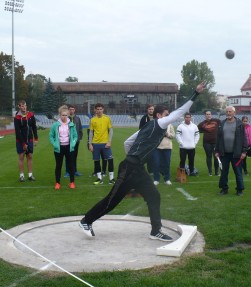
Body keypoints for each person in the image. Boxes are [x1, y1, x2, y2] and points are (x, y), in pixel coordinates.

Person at [79, 82, 206, 241]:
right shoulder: (159, 123)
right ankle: (86, 221)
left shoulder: (148, 127)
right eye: (166, 114)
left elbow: (127, 143)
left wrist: (132, 159)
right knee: (112, 200)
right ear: (159, 116)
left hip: (136, 167)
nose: (169, 118)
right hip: (131, 167)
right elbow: (179, 112)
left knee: (154, 196)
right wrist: (196, 93)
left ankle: (156, 230)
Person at [215, 106, 248, 196]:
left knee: (238, 172)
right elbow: (218, 138)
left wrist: (244, 152)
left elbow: (244, 138)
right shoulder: (222, 123)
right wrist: (217, 151)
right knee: (224, 172)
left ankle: (240, 190)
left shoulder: (239, 124)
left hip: (236, 154)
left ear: (234, 113)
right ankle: (224, 189)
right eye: (227, 111)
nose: (228, 113)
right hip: (224, 153)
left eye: (230, 111)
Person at [49, 105, 78, 190]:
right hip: (59, 148)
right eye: (62, 115)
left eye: (65, 115)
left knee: (71, 165)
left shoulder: (72, 124)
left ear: (68, 115)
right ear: (59, 115)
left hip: (69, 148)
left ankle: (72, 182)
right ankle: (57, 183)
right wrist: (55, 144)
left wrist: (72, 143)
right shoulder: (55, 125)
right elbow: (51, 136)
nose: (64, 117)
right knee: (59, 166)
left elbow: (75, 136)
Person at [88, 103, 115, 185]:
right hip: (95, 143)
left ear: (103, 109)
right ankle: (99, 179)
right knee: (96, 161)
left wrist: (109, 141)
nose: (99, 111)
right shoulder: (92, 120)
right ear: (95, 110)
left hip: (105, 143)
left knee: (110, 160)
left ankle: (112, 178)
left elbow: (110, 130)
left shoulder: (107, 118)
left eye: (100, 109)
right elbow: (91, 132)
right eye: (97, 109)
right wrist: (90, 144)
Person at [14, 100, 38, 182]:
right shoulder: (17, 117)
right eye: (22, 106)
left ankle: (30, 175)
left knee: (30, 156)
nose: (24, 107)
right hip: (20, 140)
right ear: (19, 107)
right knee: (21, 157)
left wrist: (36, 138)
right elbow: (17, 132)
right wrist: (23, 143)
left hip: (30, 139)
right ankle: (21, 176)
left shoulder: (31, 115)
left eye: (25, 106)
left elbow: (34, 127)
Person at [198, 110, 221, 176]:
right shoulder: (202, 123)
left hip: (215, 142)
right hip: (206, 142)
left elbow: (222, 126)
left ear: (211, 115)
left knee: (216, 157)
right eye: (207, 114)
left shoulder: (216, 121)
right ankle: (210, 171)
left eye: (209, 114)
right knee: (209, 156)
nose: (208, 115)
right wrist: (203, 131)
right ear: (205, 115)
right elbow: (197, 129)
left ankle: (216, 172)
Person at [64, 105, 83, 177]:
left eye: (73, 109)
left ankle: (75, 171)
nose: (71, 111)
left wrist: (79, 138)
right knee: (68, 156)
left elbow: (80, 128)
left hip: (76, 141)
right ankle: (67, 172)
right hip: (67, 141)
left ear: (74, 110)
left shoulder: (77, 118)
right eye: (70, 109)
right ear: (68, 110)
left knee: (74, 156)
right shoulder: (65, 118)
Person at [139, 104, 155, 174]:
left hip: (155, 140)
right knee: (147, 155)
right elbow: (140, 129)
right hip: (146, 140)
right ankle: (145, 170)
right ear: (147, 110)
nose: (151, 110)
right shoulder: (144, 118)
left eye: (152, 109)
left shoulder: (157, 117)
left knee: (155, 155)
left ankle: (154, 170)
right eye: (149, 109)